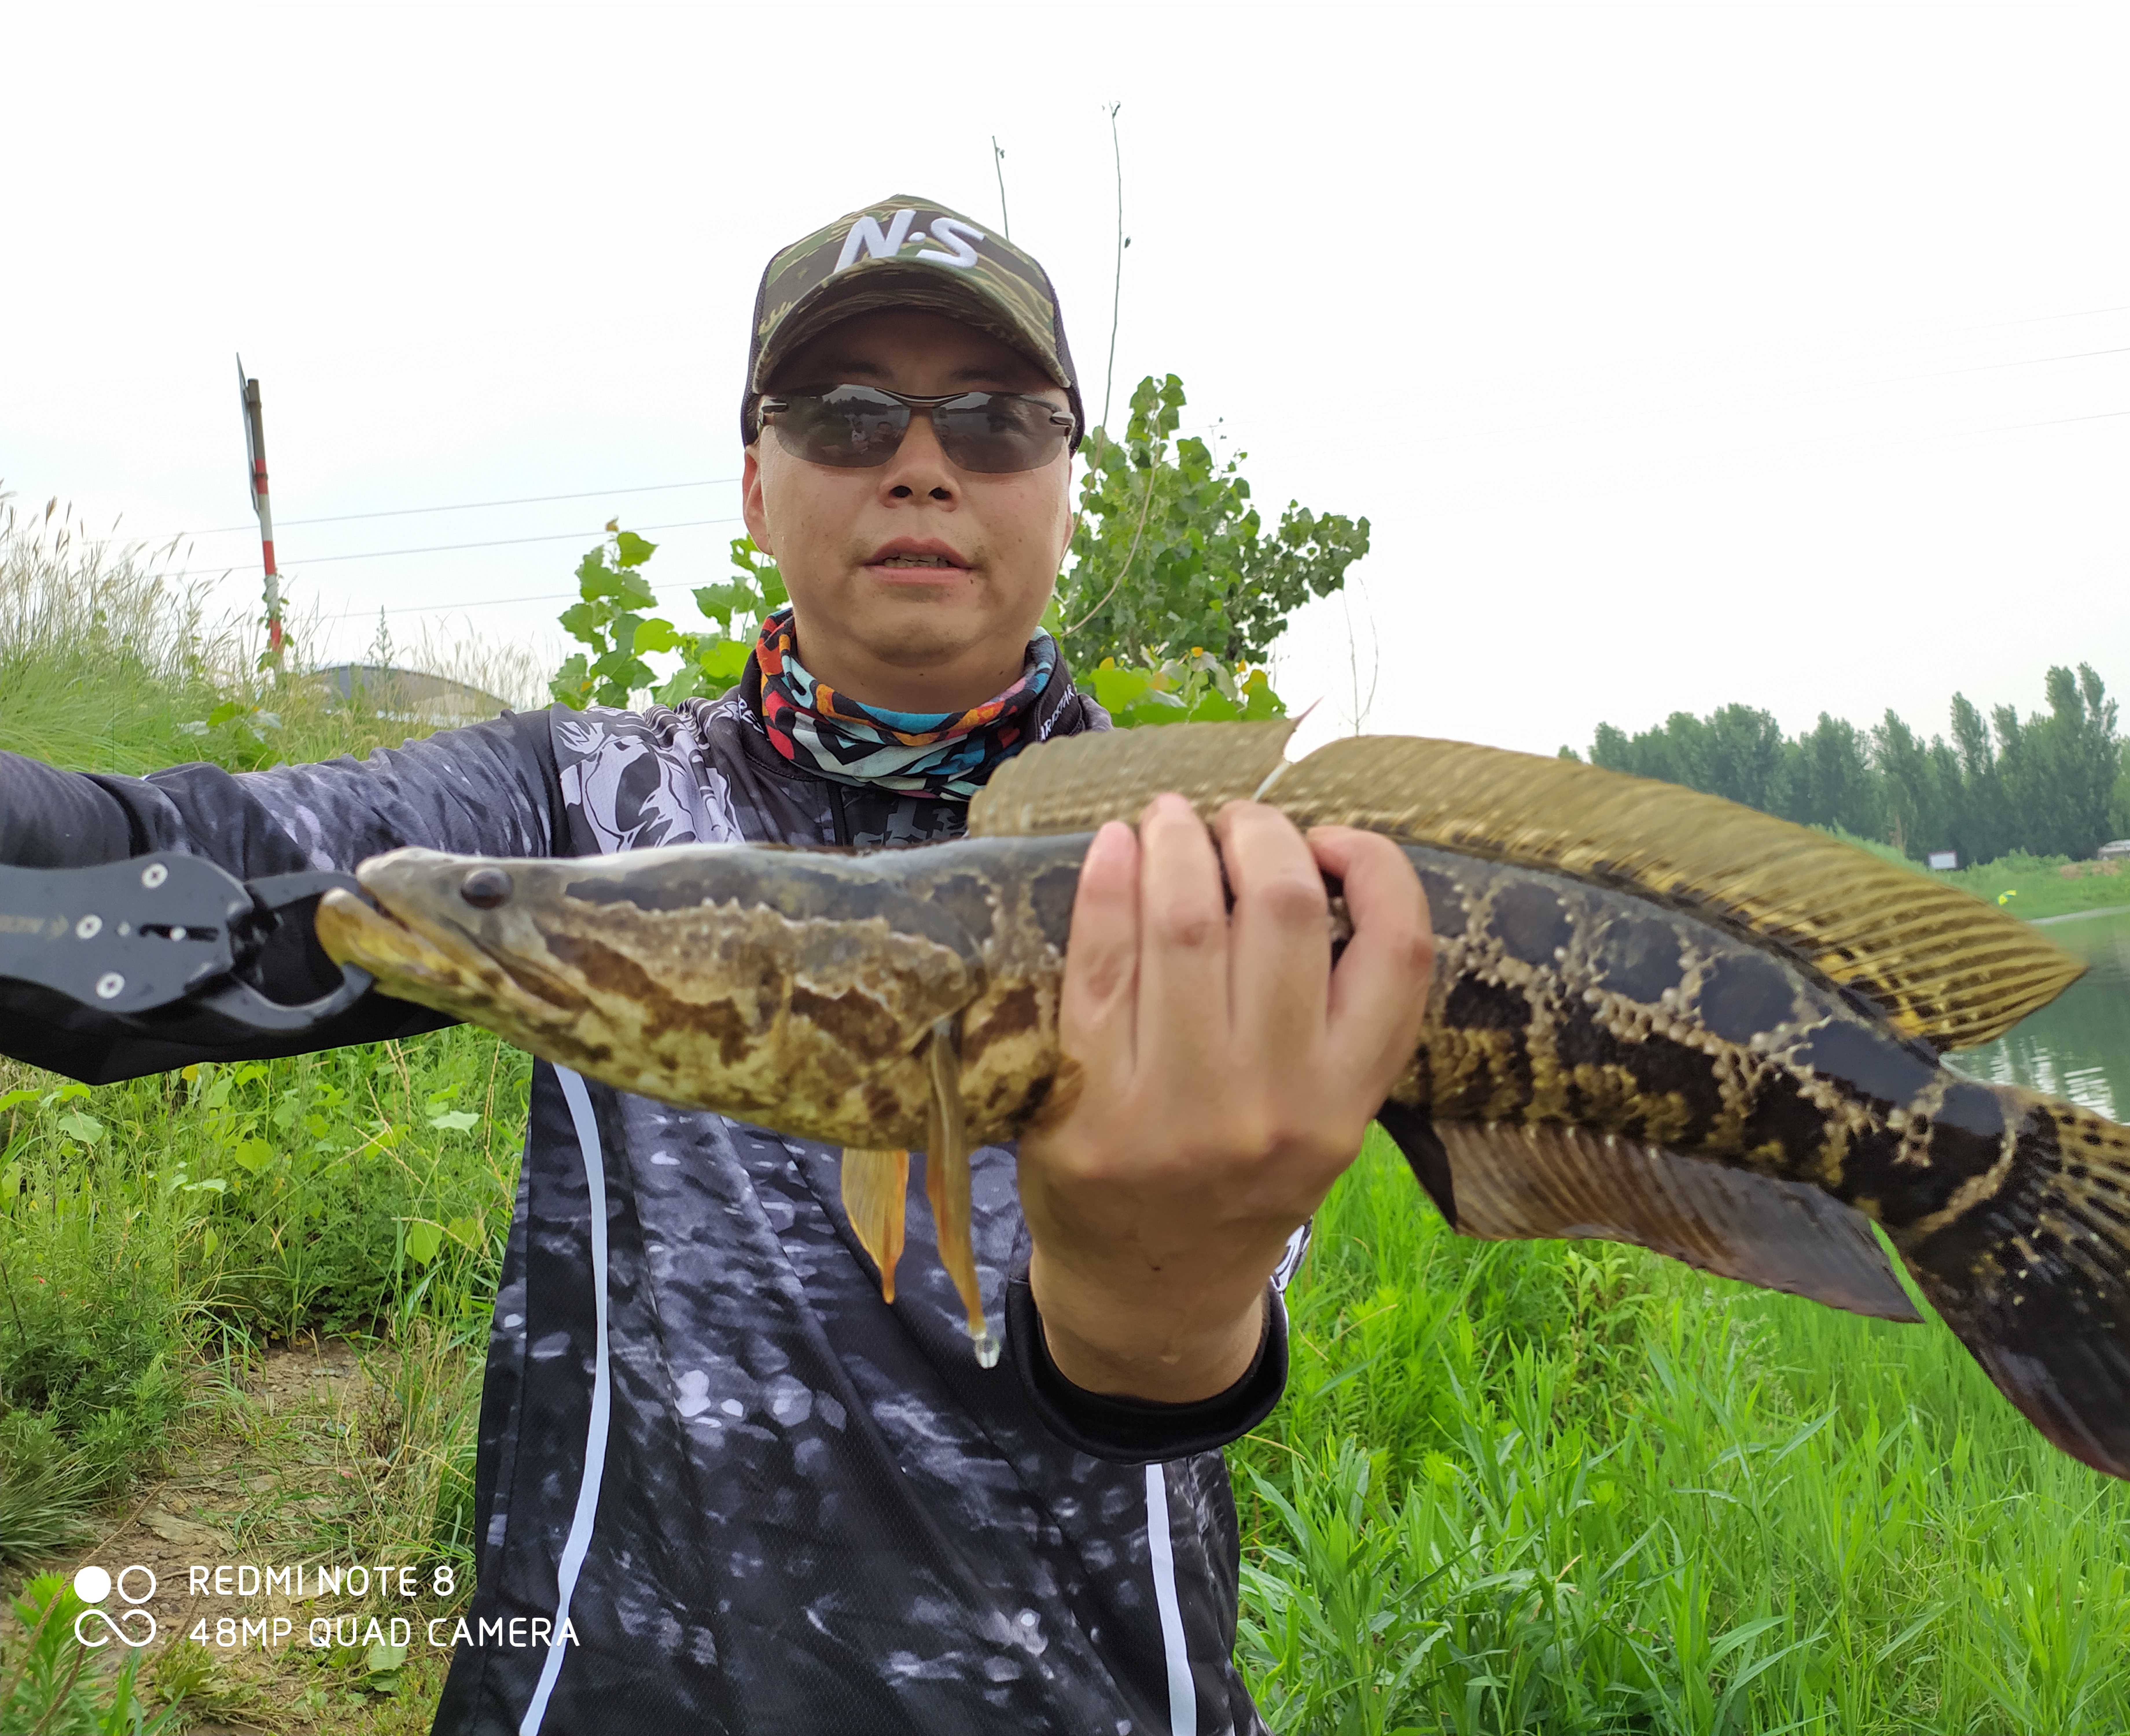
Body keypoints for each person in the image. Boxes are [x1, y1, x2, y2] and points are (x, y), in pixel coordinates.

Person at [0, 195, 1433, 1734]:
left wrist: (1164, 1297)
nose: (922, 459)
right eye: (845, 411)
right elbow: (149, 894)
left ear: (1065, 483)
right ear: (758, 483)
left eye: (998, 419)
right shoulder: (580, 809)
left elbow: (1157, 1378)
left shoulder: (1217, 879)